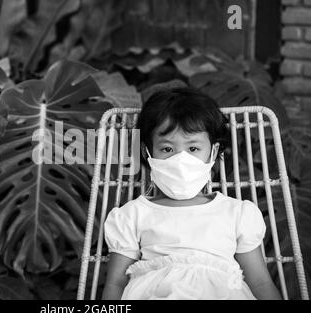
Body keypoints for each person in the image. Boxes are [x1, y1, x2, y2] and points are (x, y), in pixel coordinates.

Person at [102, 87, 282, 300]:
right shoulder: (132, 215)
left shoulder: (236, 213)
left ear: (213, 151)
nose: (181, 160)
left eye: (193, 149)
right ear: (146, 152)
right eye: (167, 149)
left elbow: (260, 282)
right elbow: (116, 283)